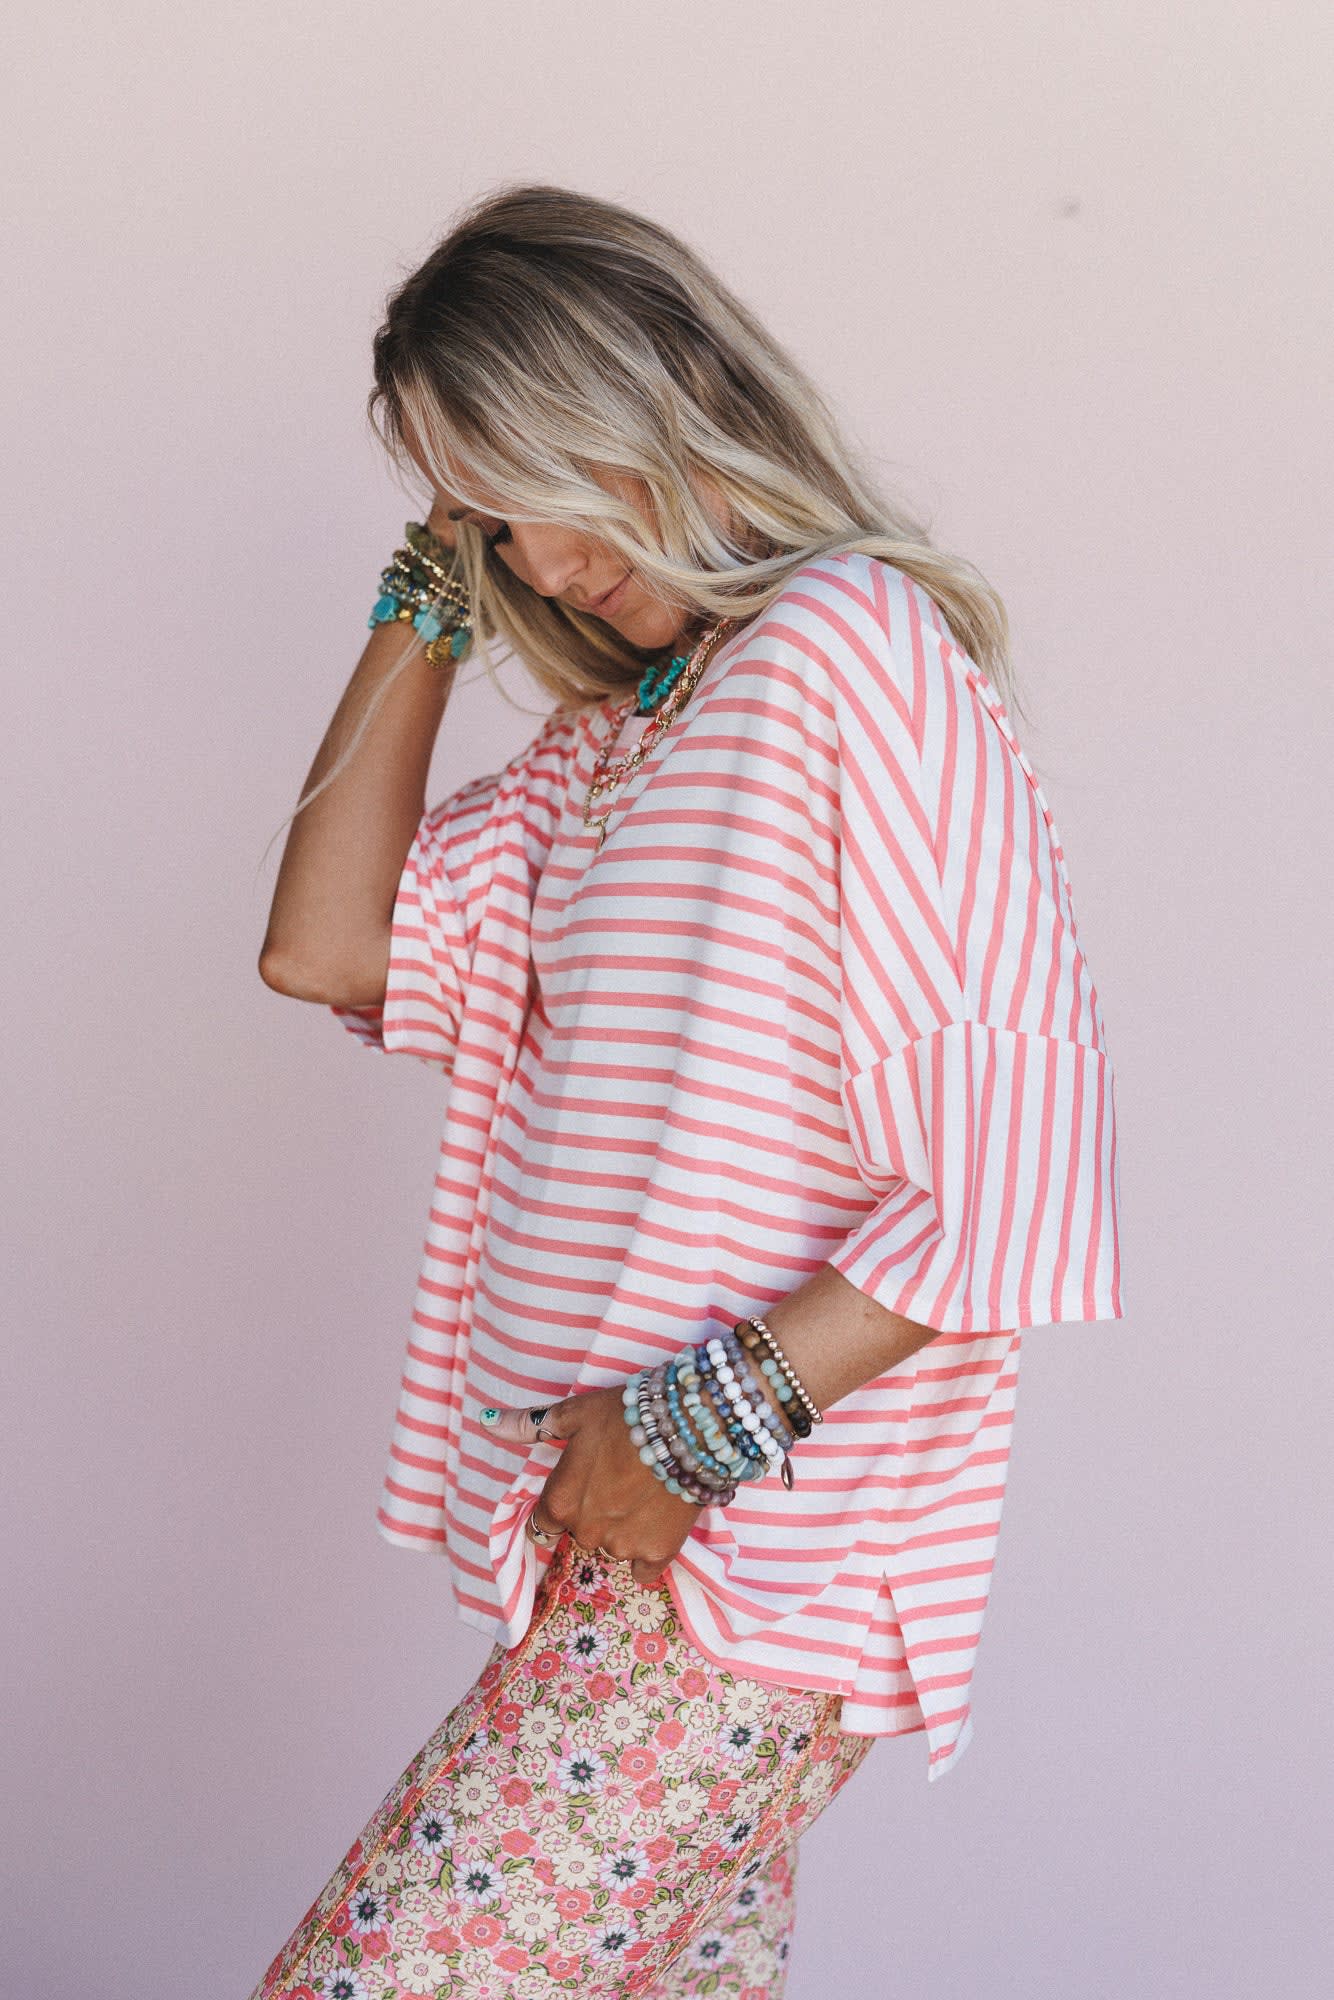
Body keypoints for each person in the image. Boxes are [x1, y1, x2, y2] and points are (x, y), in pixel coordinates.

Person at [251, 181, 1124, 2000]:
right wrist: (431, 581)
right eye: (490, 522)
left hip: (742, 1559)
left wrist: (684, 1435)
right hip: (612, 1555)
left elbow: (1016, 1173)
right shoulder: (614, 743)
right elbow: (328, 948)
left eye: (538, 491)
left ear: (655, 408)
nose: (541, 564)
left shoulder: (852, 651)